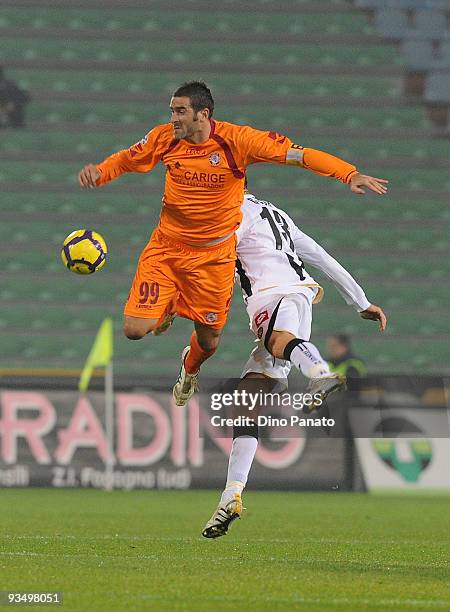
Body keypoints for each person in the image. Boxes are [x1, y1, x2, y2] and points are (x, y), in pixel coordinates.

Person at [77, 81, 388, 406]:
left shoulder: (238, 141)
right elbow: (129, 158)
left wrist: (347, 174)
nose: (173, 118)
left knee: (209, 341)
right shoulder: (164, 138)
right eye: (172, 111)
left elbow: (300, 155)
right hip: (167, 248)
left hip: (215, 258)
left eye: (180, 111)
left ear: (203, 114)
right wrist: (101, 172)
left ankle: (188, 367)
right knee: (134, 329)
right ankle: (170, 304)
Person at [201, 189, 387, 538]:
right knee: (246, 400)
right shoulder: (278, 214)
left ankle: (319, 372)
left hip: (271, 295)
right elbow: (319, 255)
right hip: (299, 295)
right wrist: (360, 300)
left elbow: (218, 256)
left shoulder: (230, 210)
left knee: (276, 340)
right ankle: (232, 494)